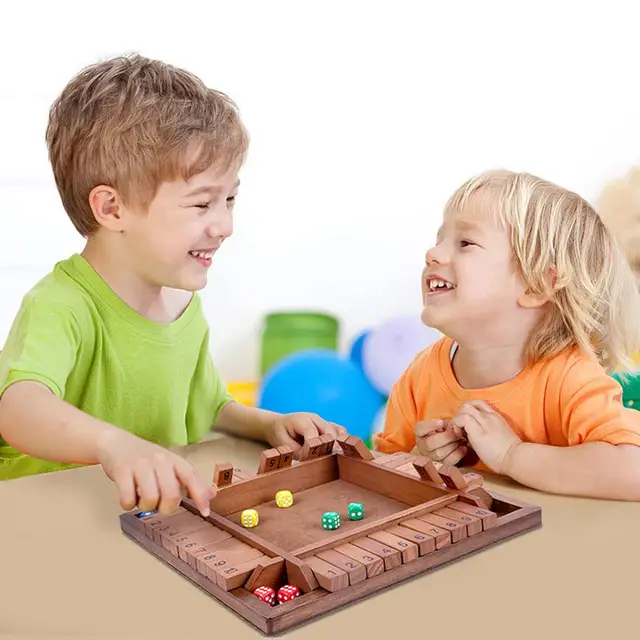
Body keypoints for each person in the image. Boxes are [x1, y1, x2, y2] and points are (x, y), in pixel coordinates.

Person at [0, 53, 347, 516]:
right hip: (48, 523)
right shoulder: (60, 305)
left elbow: (205, 405)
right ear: (112, 208)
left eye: (230, 199)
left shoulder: (183, 304)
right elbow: (19, 408)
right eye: (202, 204)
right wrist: (114, 445)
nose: (224, 225)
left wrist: (270, 425)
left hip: (144, 525)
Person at [374, 169, 640, 501]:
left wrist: (512, 455)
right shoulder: (419, 377)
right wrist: (419, 461)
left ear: (537, 285)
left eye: (465, 243)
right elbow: (381, 475)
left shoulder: (570, 377)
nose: (434, 254)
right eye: (440, 239)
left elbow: (633, 470)